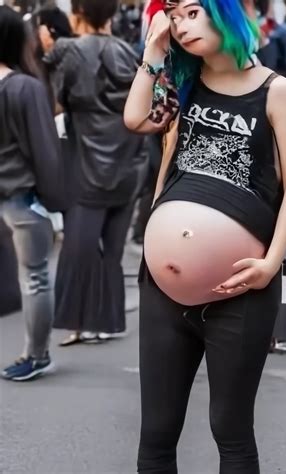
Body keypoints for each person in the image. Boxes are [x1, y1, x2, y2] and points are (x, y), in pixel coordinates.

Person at [124, 0, 286, 471]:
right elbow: (136, 118)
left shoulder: (277, 91)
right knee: (157, 433)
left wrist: (271, 264)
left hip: (240, 289)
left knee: (231, 430)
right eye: (175, 17)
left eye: (191, 11)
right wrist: (154, 48)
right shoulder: (184, 86)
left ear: (223, 11)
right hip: (163, 289)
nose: (182, 26)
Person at [52, 0, 147, 346]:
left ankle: (78, 321)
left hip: (86, 162)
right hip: (128, 161)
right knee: (112, 251)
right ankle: (107, 320)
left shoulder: (70, 52)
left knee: (79, 248)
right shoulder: (129, 53)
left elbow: (58, 98)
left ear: (77, 13)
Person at [0, 5, 67, 381]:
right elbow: (44, 150)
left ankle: (35, 354)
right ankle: (36, 355)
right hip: (23, 198)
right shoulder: (25, 87)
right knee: (35, 277)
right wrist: (57, 203)